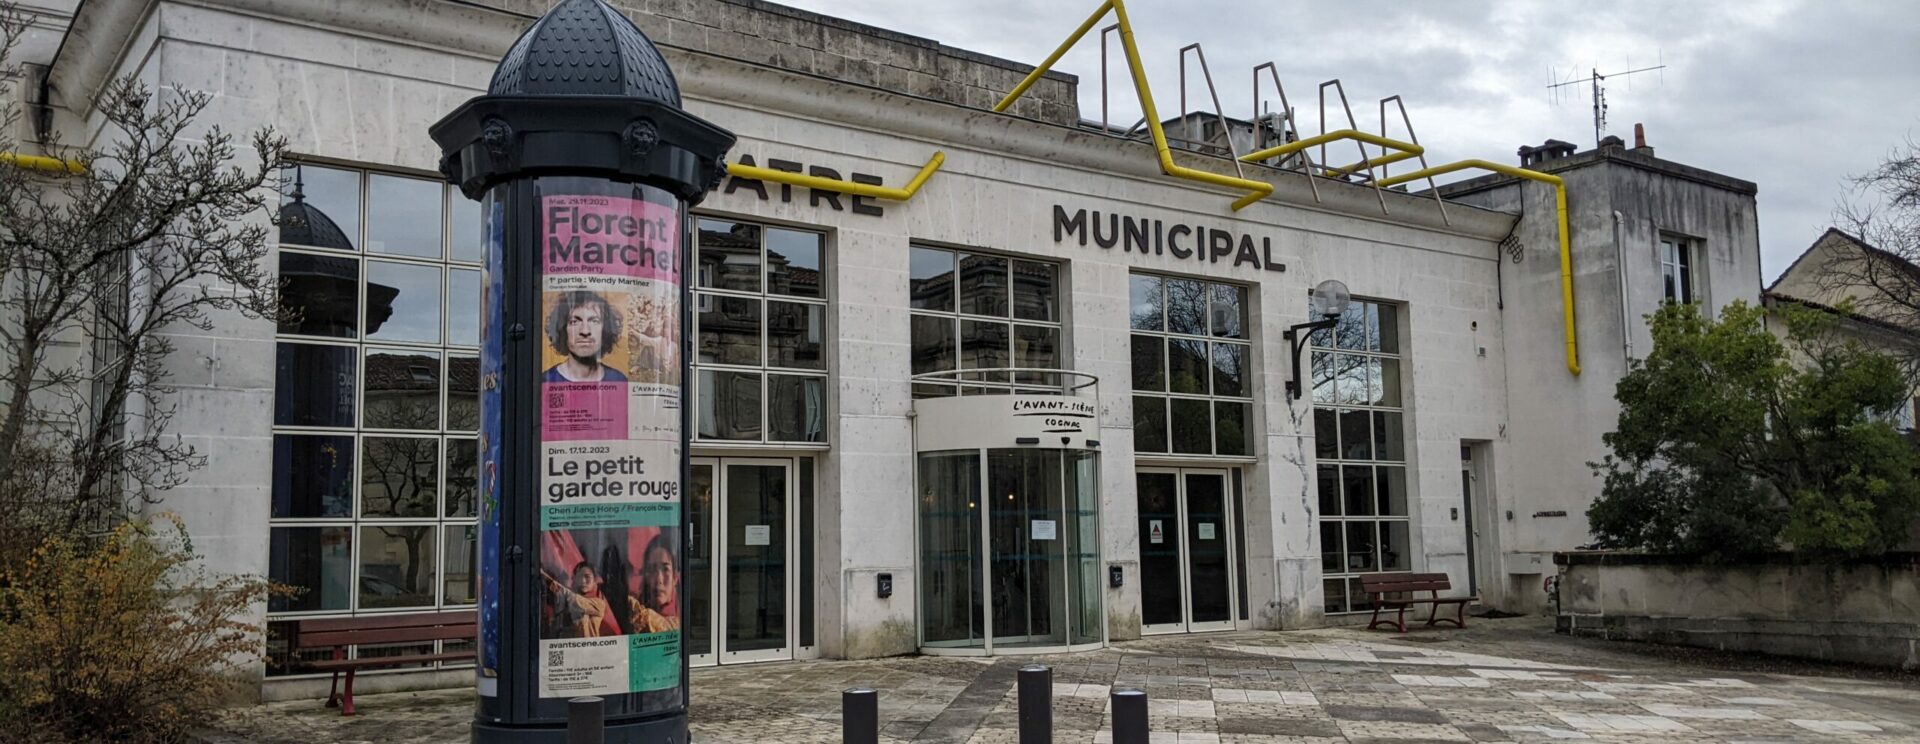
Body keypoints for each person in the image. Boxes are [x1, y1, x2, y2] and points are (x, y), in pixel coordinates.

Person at [544, 290, 627, 383]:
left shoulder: (619, 380)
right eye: (574, 322)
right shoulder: (546, 381)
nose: (585, 331)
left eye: (594, 321)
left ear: (605, 330)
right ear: (563, 330)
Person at [547, 561, 620, 638]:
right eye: (579, 577)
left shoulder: (599, 603)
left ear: (595, 580)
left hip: (593, 648)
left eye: (587, 577)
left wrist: (562, 590)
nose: (583, 581)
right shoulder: (568, 598)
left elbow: (577, 602)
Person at [629, 532, 680, 632]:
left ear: (675, 577)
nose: (659, 580)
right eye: (652, 570)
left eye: (665, 569)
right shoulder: (635, 612)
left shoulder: (684, 614)